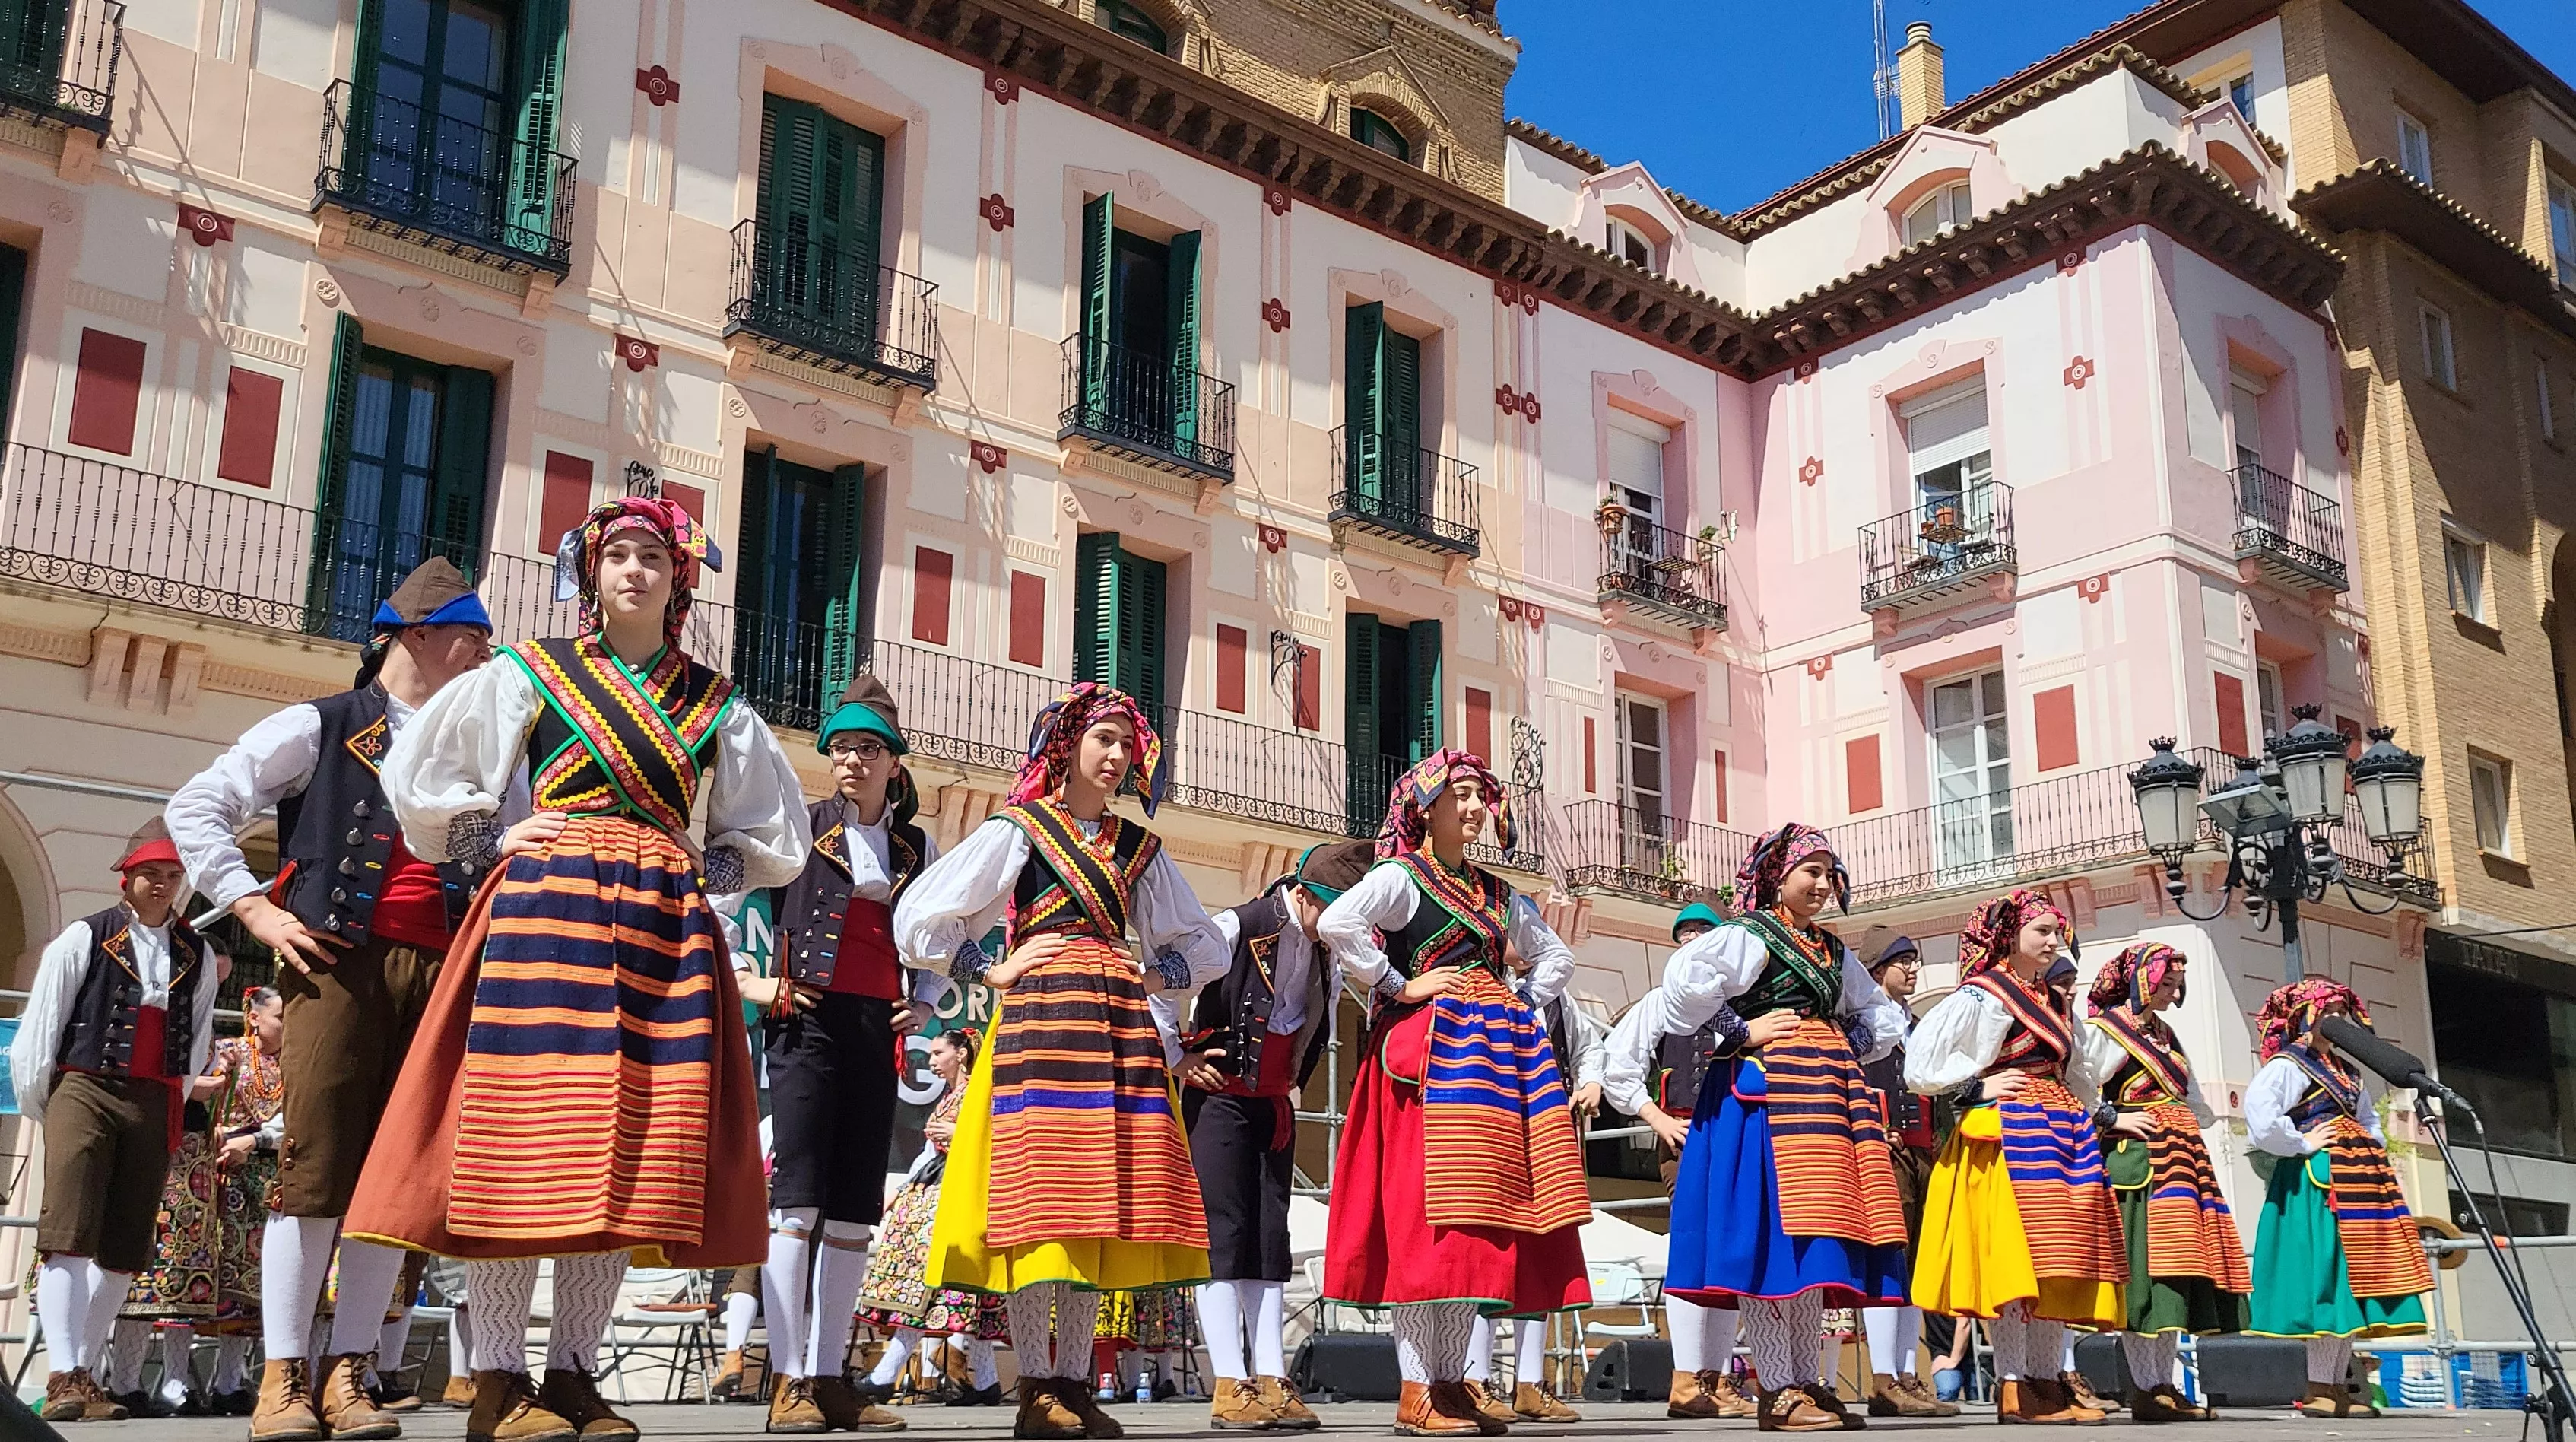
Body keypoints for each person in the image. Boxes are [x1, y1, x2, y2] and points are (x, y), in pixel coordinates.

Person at [344, 497, 810, 1442]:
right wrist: (492, 830)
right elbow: (421, 774)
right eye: (618, 556)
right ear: (591, 575)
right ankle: (497, 1381)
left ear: (680, 578)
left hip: (659, 923)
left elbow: (770, 836)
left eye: (652, 557)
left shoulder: (716, 701)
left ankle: (572, 1376)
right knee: (527, 1141)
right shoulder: (531, 670)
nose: (634, 570)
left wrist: (702, 865)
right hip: (547, 906)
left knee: (633, 1156)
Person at [165, 556, 509, 1442]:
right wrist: (252, 907)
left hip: (443, 975)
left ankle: (347, 1371)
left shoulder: (483, 749)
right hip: (336, 962)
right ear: (420, 636)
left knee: (394, 1179)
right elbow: (201, 803)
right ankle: (284, 1378)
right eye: (474, 637)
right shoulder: (326, 724)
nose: (484, 655)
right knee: (314, 1172)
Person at [893, 681, 1228, 1441]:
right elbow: (920, 914)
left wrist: (1152, 974)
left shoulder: (1139, 849)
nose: (1116, 756)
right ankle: (1037, 1385)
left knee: (1093, 1207)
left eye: (1126, 744)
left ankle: (1074, 1382)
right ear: (1068, 744)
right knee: (1038, 1202)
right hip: (1041, 1023)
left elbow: (1203, 946)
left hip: (1114, 1029)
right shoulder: (1021, 830)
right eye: (1103, 739)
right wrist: (990, 968)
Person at [1318, 749, 1591, 1439]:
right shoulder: (1402, 878)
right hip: (1427, 1065)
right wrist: (1398, 985)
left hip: (1493, 1068)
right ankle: (1416, 1387)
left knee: (1476, 1224)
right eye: (1460, 795)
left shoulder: (1499, 895)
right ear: (1427, 808)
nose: (1473, 808)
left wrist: (1517, 998)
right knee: (1425, 1225)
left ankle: (1449, 1381)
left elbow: (1556, 957)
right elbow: (1336, 923)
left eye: (1479, 797)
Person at [1639, 824, 1908, 1433]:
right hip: (1760, 1104)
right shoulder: (1750, 935)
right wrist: (1740, 1032)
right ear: (1776, 878)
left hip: (1820, 1101)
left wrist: (1848, 1039)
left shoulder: (1833, 951)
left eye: (1826, 872)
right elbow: (1683, 984)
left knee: (1813, 1242)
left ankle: (1805, 1379)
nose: (1820, 882)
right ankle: (1778, 1387)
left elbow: (1880, 1015)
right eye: (1808, 871)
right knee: (1767, 1240)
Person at [730, 676, 937, 1434]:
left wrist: (932, 996)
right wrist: (750, 979)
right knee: (799, 1201)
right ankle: (788, 1380)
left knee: (853, 1208)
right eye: (842, 748)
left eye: (867, 748)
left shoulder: (918, 846)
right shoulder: (798, 826)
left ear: (894, 766)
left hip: (876, 1029)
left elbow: (950, 930)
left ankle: (830, 1377)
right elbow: (726, 883)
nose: (851, 760)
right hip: (804, 1020)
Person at [12, 821, 223, 1425]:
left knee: (126, 1248)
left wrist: (176, 1102)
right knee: (68, 1236)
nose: (162, 886)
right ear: (126, 879)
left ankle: (88, 1371)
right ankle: (62, 1372)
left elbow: (199, 1034)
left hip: (154, 1098)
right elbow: (43, 1022)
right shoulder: (86, 936)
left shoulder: (196, 953)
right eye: (150, 875)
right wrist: (45, 1103)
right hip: (84, 1087)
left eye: (172, 877)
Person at [1161, 841, 1373, 1431]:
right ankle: (1230, 1381)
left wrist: (1295, 1085)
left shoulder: (1326, 951)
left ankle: (1273, 1378)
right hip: (1221, 1098)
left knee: (1269, 1238)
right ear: (1303, 895)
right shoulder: (1238, 924)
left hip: (1273, 1103)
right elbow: (1161, 978)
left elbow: (1318, 1018)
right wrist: (1176, 1055)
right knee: (1223, 1235)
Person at [1905, 889, 2126, 1425]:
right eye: (2041, 932)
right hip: (2010, 1132)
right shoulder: (1984, 995)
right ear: (2010, 937)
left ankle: (2048, 1381)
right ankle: (2013, 1386)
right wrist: (1975, 1088)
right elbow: (1921, 1061)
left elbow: (2081, 1067)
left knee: (2058, 1261)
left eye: (2056, 932)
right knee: (2015, 1262)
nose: (2053, 941)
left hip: (2057, 1131)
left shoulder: (2049, 998)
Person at [2244, 978, 2432, 1419]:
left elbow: (2368, 1117)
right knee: (2324, 1277)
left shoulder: (2348, 1072)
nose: (2339, 1022)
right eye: (2329, 1013)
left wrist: (2371, 1147)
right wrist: (2304, 1142)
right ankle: (2318, 1386)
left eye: (2342, 1015)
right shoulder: (2288, 1065)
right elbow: (2260, 1113)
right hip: (2319, 1181)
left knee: (2349, 1282)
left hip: (2356, 1180)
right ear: (2306, 1018)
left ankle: (2329, 1384)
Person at [2076, 942, 2247, 1421]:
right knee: (2145, 1273)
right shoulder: (2107, 1033)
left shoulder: (2166, 1034)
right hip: (2138, 1166)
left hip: (2178, 1161)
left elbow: (2192, 1099)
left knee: (2176, 1272)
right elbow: (2079, 1086)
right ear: (2139, 981)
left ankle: (2165, 1385)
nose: (2172, 995)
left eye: (2176, 986)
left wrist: (2184, 1122)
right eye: (2165, 984)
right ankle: (2147, 1386)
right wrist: (2114, 1118)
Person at [122, 986, 288, 1418]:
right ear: (253, 1017)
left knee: (248, 1290)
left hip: (262, 1181)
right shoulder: (225, 1050)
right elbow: (205, 1102)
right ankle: (165, 1379)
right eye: (280, 1018)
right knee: (183, 1278)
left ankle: (230, 1383)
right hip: (211, 1178)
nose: (286, 1029)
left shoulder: (292, 1063)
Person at [1464, 977, 1605, 1428]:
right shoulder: (1477, 986)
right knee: (1489, 1252)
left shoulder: (1558, 997)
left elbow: (1589, 1046)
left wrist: (1592, 1082)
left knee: (1540, 1251)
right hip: (1492, 1121)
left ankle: (1530, 1385)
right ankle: (1475, 1380)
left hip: (1546, 1128)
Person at [855, 1028, 1009, 1408]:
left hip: (959, 1191)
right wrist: (898, 1192)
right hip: (937, 1188)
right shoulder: (952, 1096)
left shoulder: (979, 1092)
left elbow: (997, 1137)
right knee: (953, 1288)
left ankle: (885, 1374)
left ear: (960, 1054)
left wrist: (959, 1133)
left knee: (936, 1282)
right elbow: (927, 1155)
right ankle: (986, 1380)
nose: (932, 1060)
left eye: (939, 1052)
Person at [1849, 930, 1955, 1420]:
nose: (1913, 970)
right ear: (1876, 970)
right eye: (1903, 962)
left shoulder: (1915, 1025)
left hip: (1922, 1152)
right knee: (1886, 1260)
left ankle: (1911, 1375)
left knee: (1916, 1266)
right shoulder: (1863, 1024)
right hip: (1882, 1149)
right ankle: (1884, 1377)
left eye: (1914, 961)